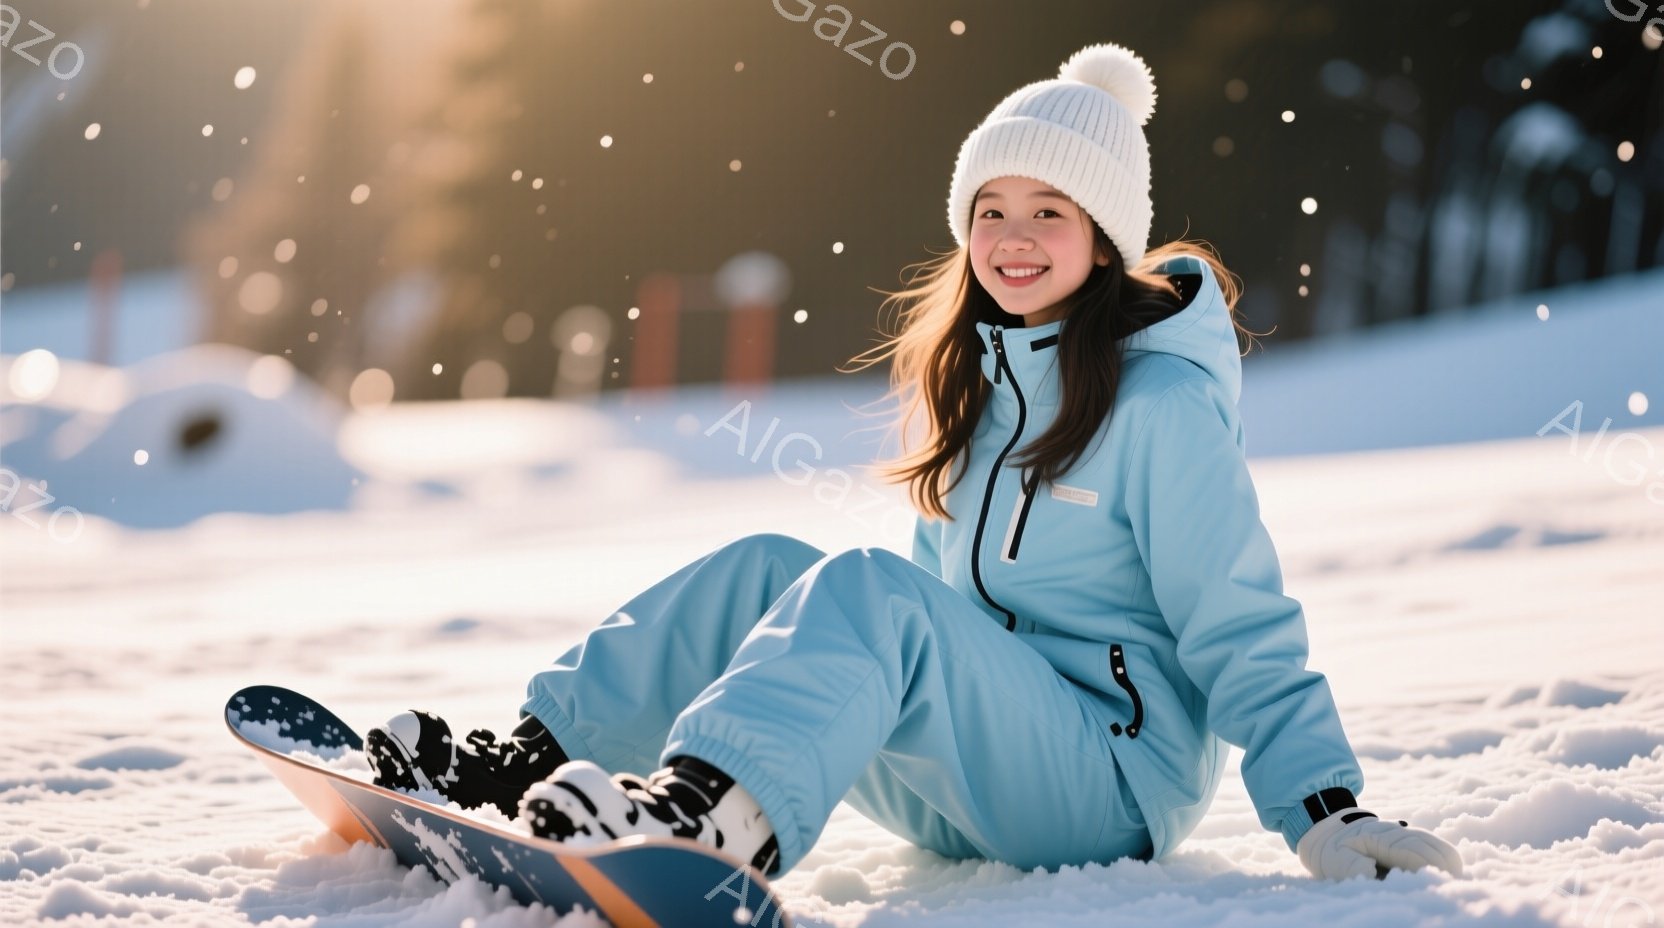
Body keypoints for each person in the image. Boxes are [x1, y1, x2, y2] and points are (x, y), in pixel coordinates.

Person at [365, 41, 1464, 884]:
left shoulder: (1163, 406)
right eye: (990, 210)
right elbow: (932, 631)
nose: (1012, 236)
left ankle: (712, 820)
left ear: (1102, 238)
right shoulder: (982, 380)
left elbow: (1238, 619)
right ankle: (518, 762)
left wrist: (1323, 808)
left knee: (861, 587)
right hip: (970, 773)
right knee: (764, 567)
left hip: (1109, 784)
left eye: (1047, 211)